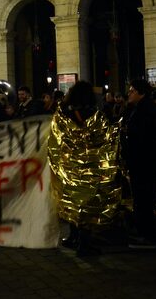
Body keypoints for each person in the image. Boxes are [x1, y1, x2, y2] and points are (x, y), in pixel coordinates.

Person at [50, 81, 105, 256]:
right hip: (88, 166)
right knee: (87, 204)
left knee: (72, 202)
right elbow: (101, 138)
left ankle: (72, 237)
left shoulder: (63, 112)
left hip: (69, 165)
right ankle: (84, 244)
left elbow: (56, 137)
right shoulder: (92, 113)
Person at [122, 79, 156, 249]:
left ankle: (147, 236)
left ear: (141, 92)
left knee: (144, 198)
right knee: (142, 198)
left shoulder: (147, 110)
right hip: (142, 160)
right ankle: (144, 232)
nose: (129, 94)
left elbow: (146, 136)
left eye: (132, 90)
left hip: (144, 161)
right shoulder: (139, 108)